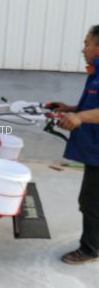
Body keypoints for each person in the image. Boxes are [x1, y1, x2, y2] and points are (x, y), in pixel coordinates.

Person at [50, 25, 99, 264]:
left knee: (90, 202)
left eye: (87, 43)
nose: (83, 49)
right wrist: (70, 109)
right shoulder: (95, 73)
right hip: (94, 151)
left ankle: (90, 250)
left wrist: (79, 118)